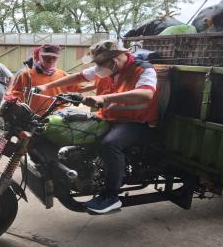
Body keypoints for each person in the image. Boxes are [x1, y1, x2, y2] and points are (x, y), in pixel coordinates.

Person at [37, 40, 159, 214]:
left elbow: (146, 93)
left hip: (138, 122)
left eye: (100, 63)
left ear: (114, 60)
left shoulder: (144, 70)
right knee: (72, 128)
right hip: (109, 117)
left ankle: (111, 197)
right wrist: (47, 86)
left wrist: (104, 99)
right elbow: (79, 76)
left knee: (110, 144)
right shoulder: (107, 68)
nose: (98, 68)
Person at [11, 44, 81, 115]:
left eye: (54, 57)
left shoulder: (63, 75)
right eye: (46, 57)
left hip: (58, 118)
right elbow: (16, 93)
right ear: (40, 56)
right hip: (33, 118)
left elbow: (78, 88)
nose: (50, 60)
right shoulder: (26, 74)